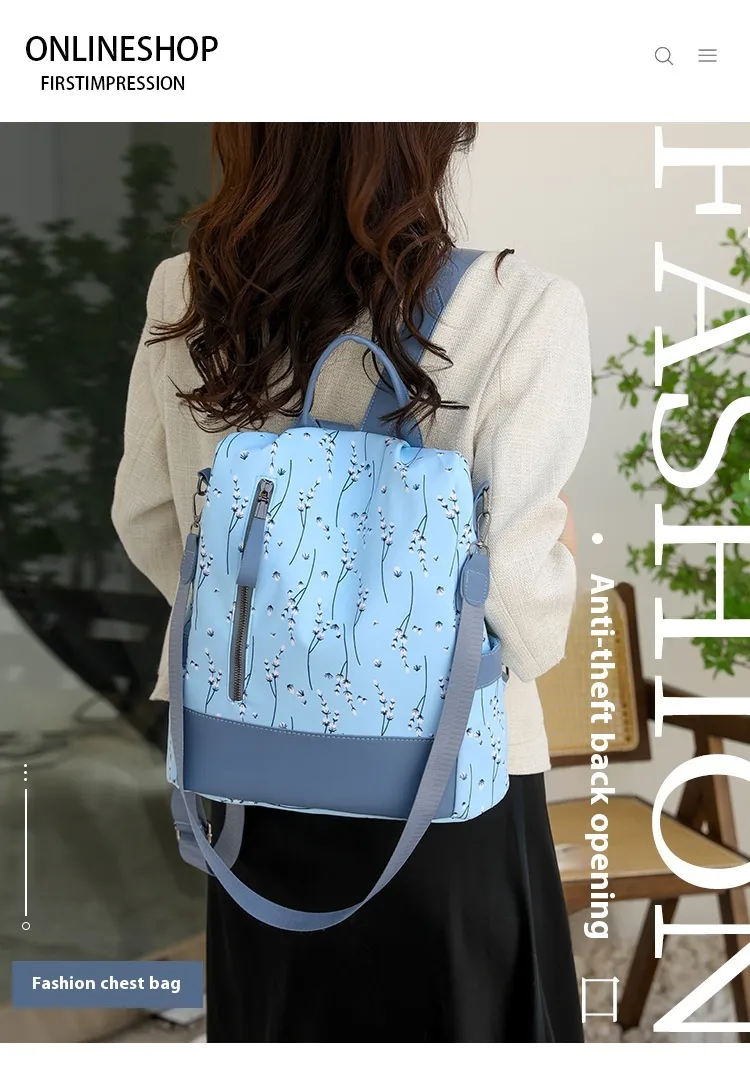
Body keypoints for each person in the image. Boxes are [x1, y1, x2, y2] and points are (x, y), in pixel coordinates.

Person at [112, 122, 590, 1043]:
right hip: (448, 786)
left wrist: (274, 638)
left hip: (248, 773)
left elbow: (147, 519)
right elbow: (525, 624)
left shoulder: (186, 292)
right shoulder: (524, 309)